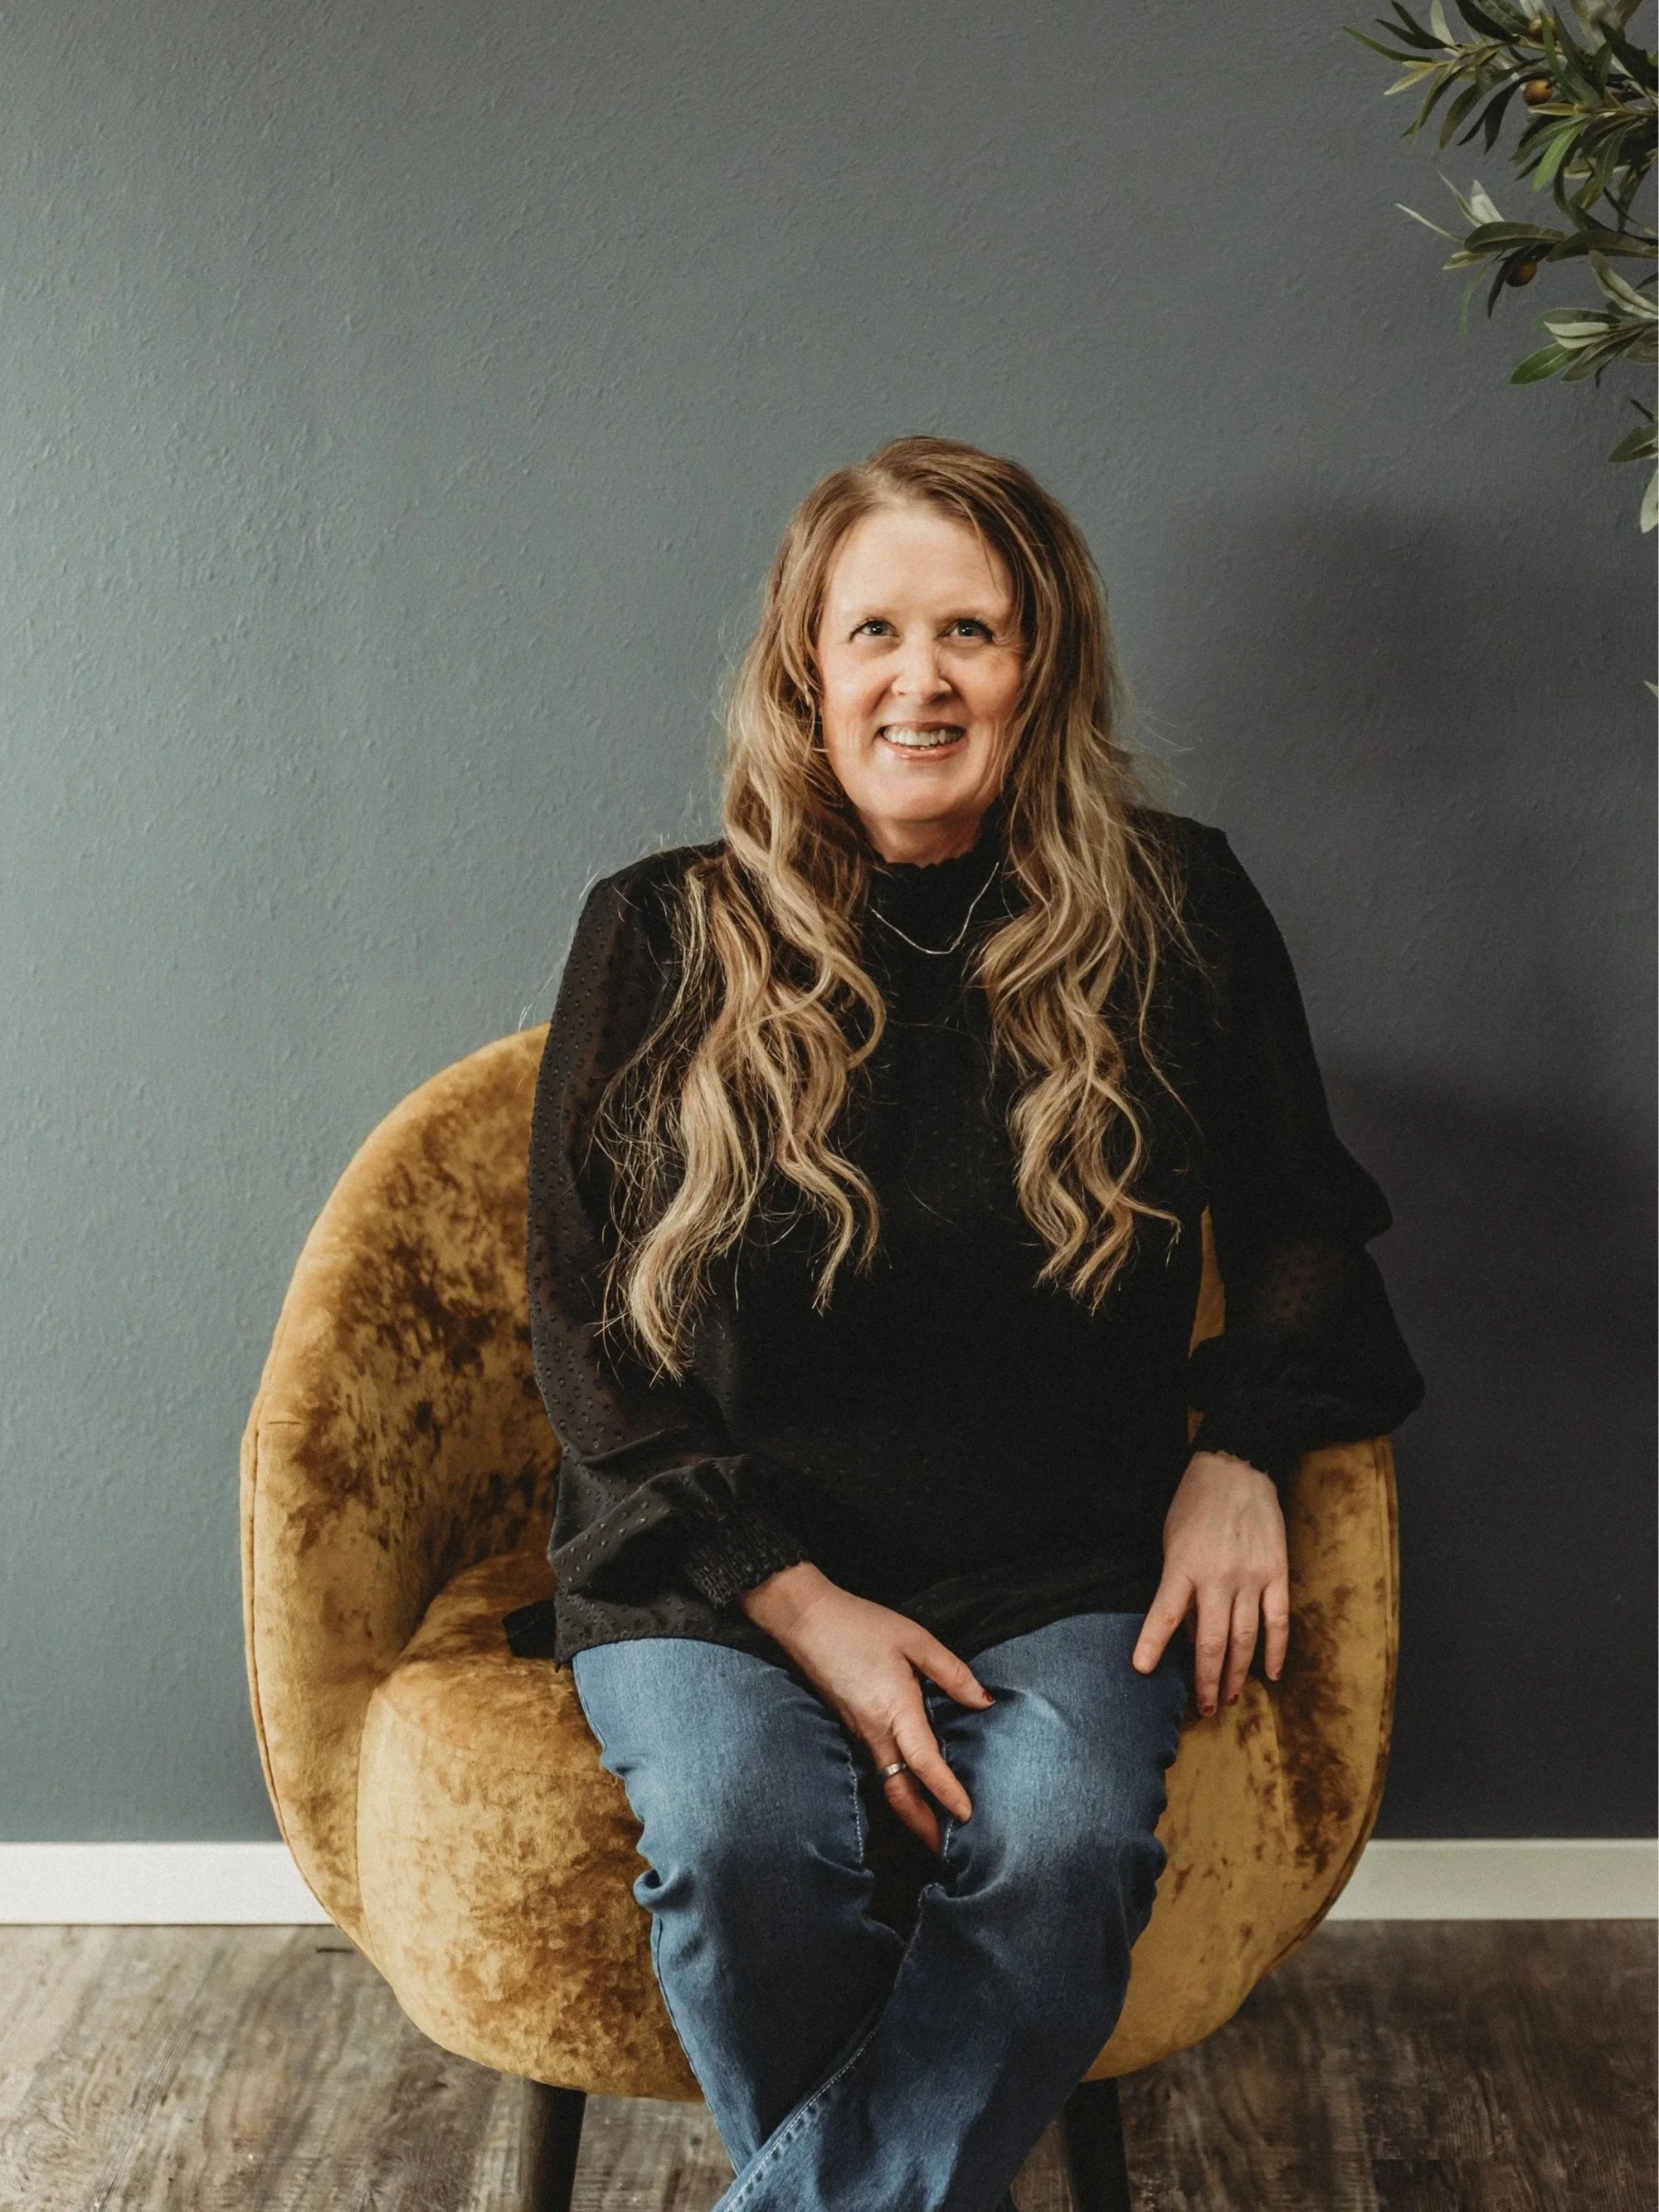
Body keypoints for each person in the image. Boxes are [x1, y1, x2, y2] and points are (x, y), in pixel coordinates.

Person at [508, 435, 1425, 2212]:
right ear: (805, 668)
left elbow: (1305, 1221)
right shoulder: (660, 929)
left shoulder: (1179, 912)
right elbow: (577, 1318)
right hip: (710, 1561)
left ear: (1041, 666)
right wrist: (794, 1597)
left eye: (971, 633)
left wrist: (1241, 1447)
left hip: (1054, 1557)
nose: (917, 681)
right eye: (872, 633)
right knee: (734, 1836)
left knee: (1068, 1842)